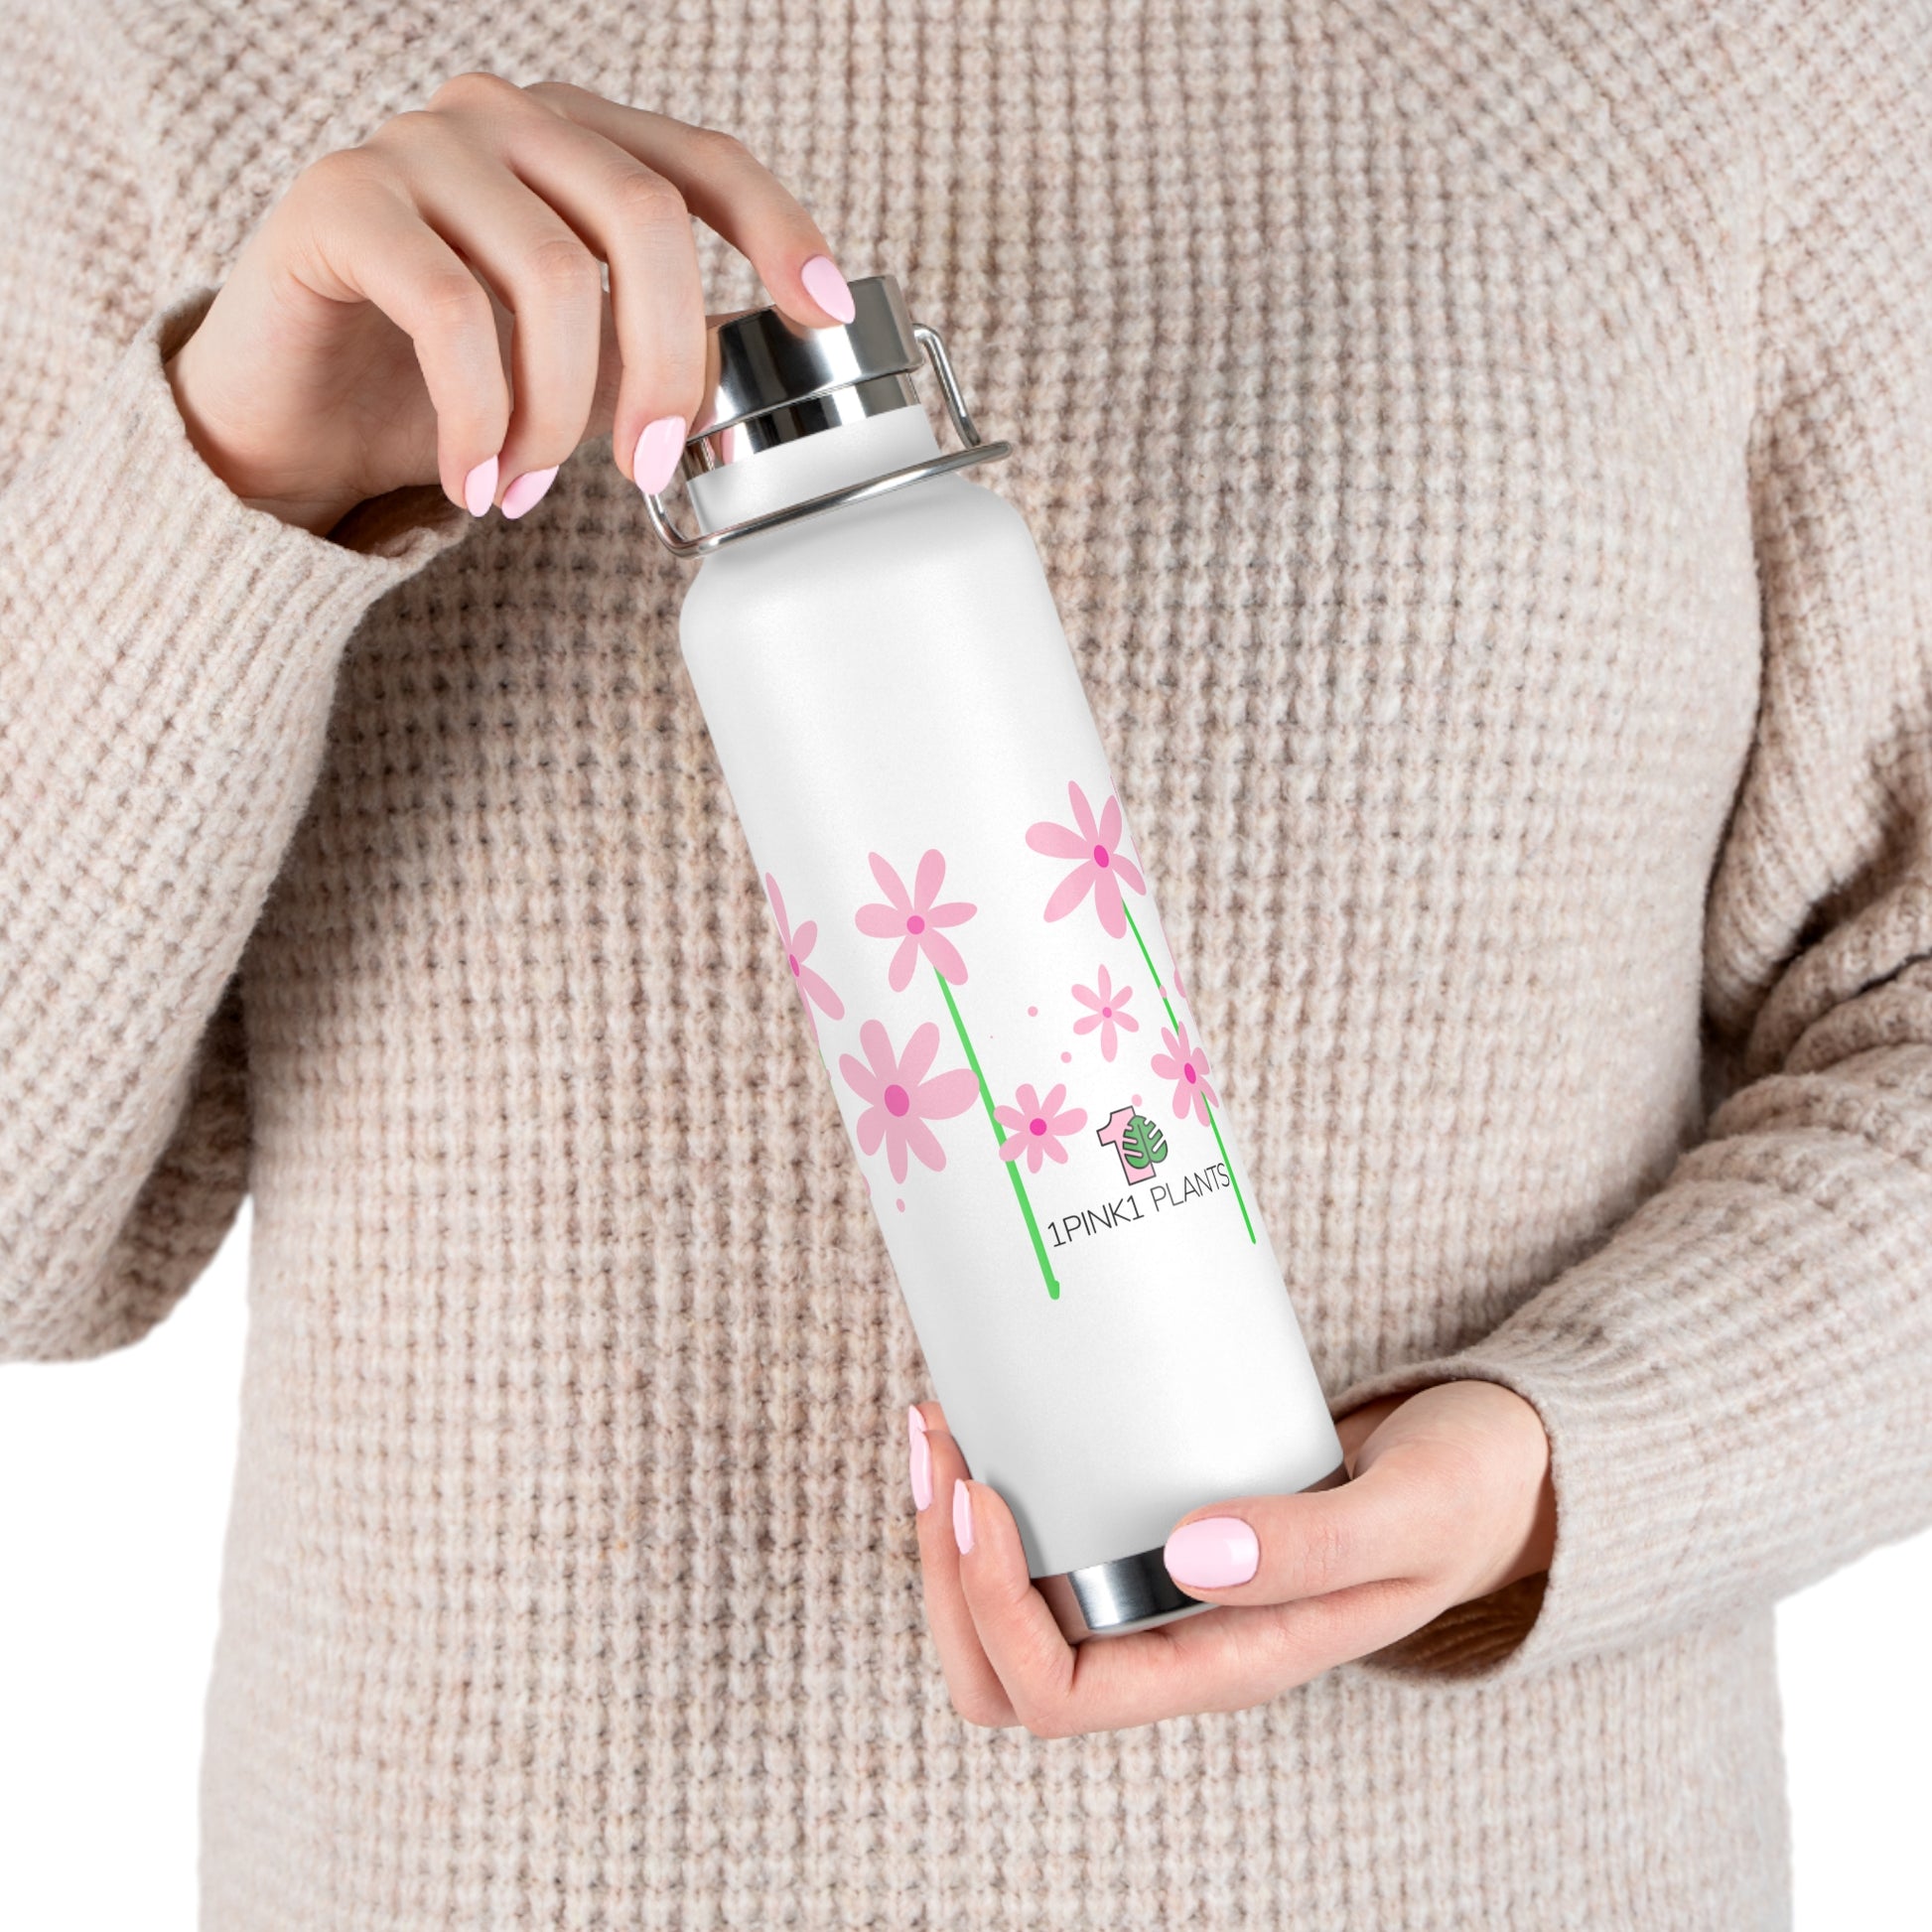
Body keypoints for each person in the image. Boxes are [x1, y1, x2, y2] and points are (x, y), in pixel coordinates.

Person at [2, 3, 1927, 1925]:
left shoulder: (1743, 54)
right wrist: (226, 481)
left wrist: (1560, 1459)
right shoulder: (157, 58)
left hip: (1497, 1871)